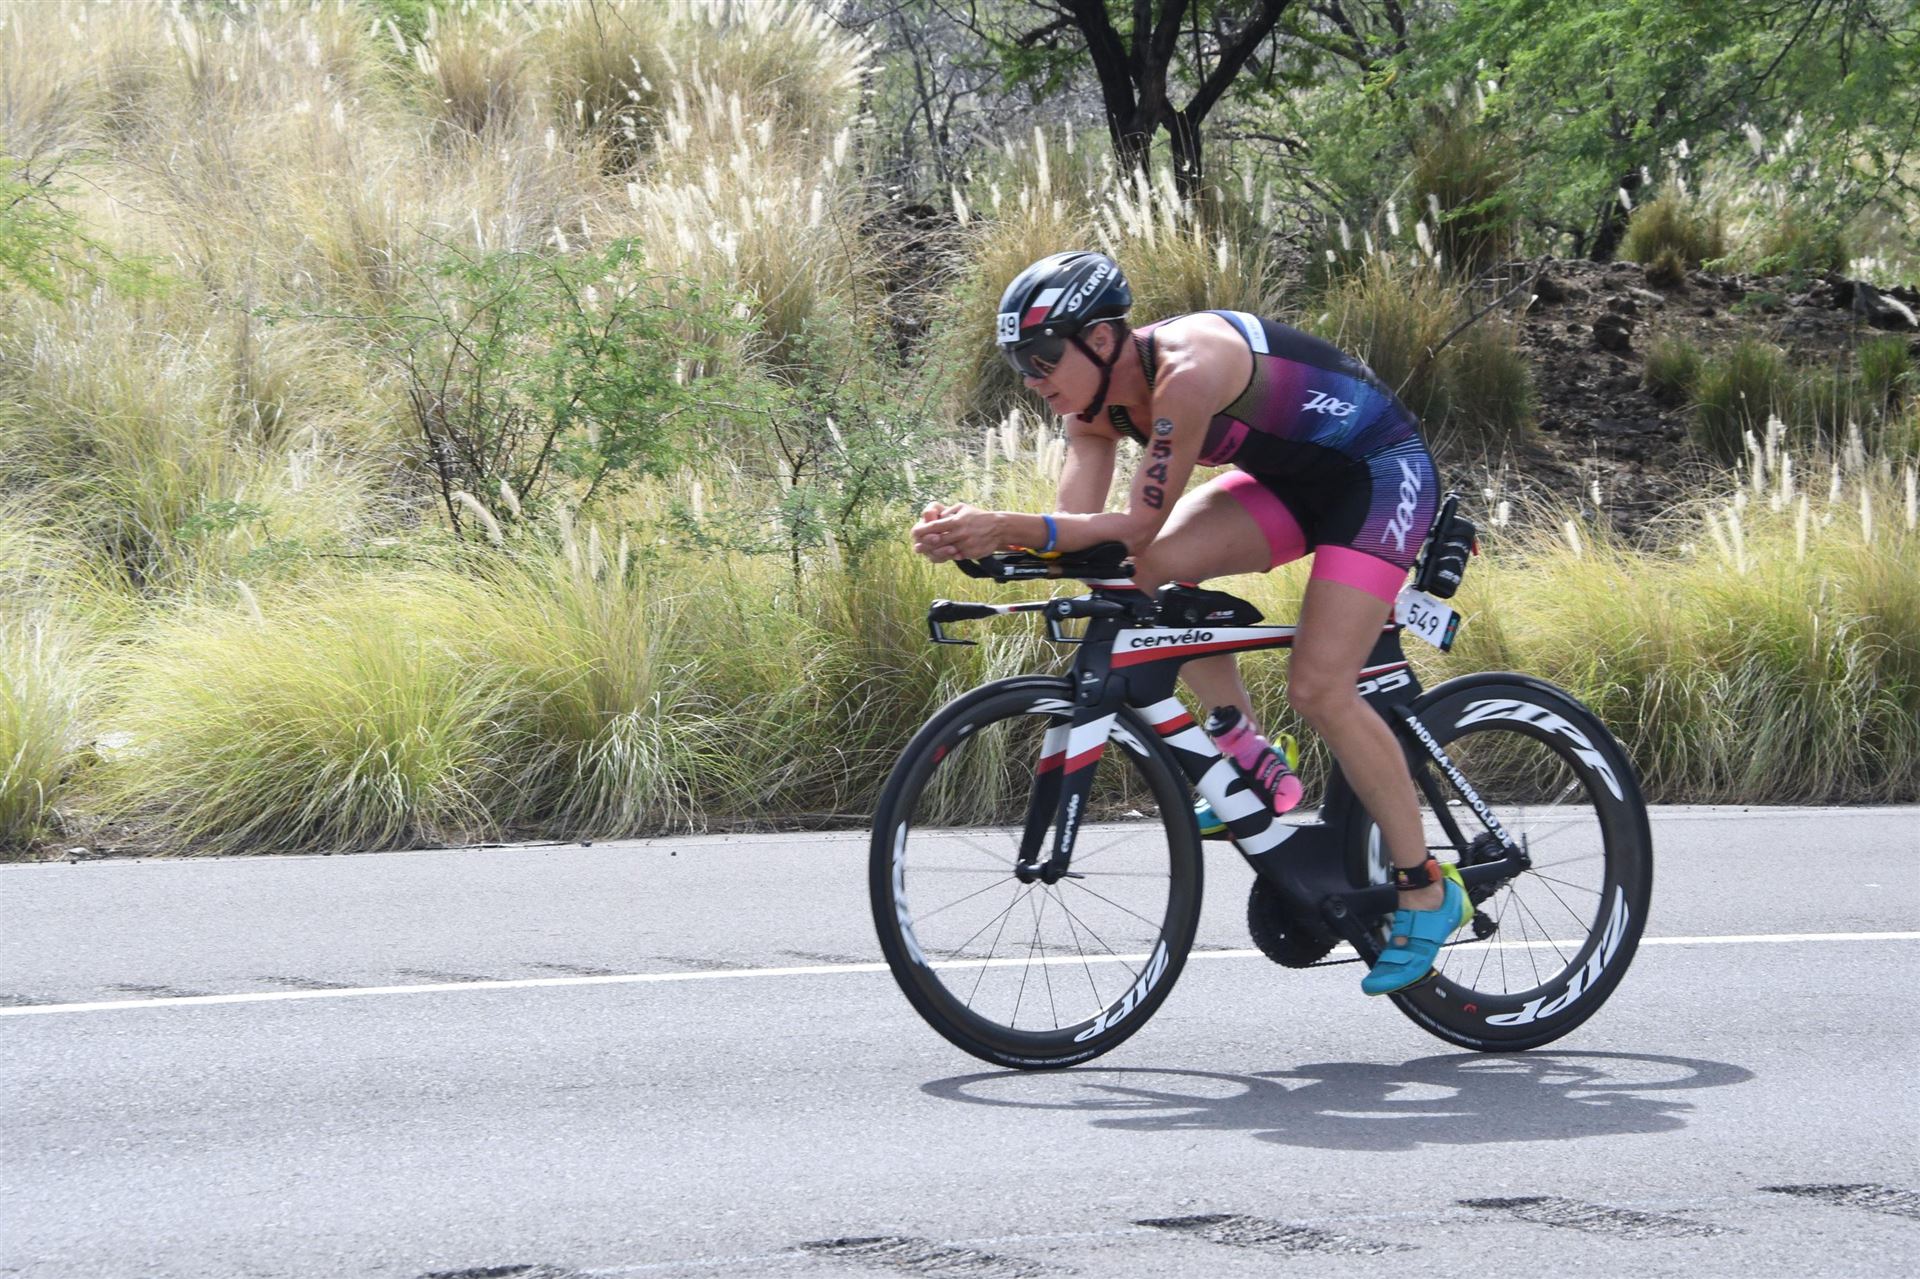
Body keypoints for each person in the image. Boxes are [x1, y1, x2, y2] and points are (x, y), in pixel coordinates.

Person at [911, 250, 1468, 996]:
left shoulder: (1188, 372)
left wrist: (1006, 524)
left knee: (1321, 687)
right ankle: (1244, 745)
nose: (1033, 379)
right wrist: (982, 539)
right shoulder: (1089, 407)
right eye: (1020, 364)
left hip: (1379, 474)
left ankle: (1425, 887)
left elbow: (1137, 522)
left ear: (1100, 340)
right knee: (1134, 575)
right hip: (1291, 485)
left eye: (1043, 358)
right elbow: (1086, 540)